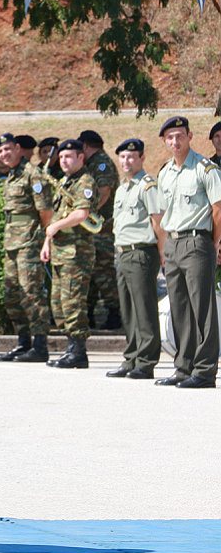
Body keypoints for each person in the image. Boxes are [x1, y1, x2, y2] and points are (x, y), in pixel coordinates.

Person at [154, 115, 221, 389]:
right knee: (180, 308)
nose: (175, 141)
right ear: (164, 141)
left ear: (190, 137)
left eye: (179, 135)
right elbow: (160, 215)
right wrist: (163, 249)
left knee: (202, 308)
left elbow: (218, 209)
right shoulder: (164, 173)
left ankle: (205, 371)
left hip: (197, 242)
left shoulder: (205, 169)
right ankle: (183, 367)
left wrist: (215, 243)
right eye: (170, 137)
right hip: (173, 243)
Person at [106, 138, 164, 380]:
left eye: (131, 156)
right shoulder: (122, 188)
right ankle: (131, 358)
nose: (126, 161)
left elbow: (157, 222)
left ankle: (147, 361)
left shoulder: (147, 185)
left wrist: (163, 254)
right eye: (122, 157)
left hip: (142, 252)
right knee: (128, 310)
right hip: (123, 253)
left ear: (141, 158)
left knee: (144, 308)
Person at [0, 134, 54, 362]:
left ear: (18, 149)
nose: (4, 154)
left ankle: (40, 345)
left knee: (31, 292)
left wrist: (43, 239)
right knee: (12, 294)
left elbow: (45, 212)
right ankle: (23, 341)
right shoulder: (11, 176)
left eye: (8, 149)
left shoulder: (33, 174)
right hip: (12, 242)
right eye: (0, 151)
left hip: (29, 242)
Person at [40, 139, 97, 368]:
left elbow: (81, 214)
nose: (64, 161)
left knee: (73, 302)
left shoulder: (85, 181)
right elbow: (55, 217)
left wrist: (55, 227)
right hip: (60, 252)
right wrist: (47, 242)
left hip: (76, 253)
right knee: (59, 304)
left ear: (80, 158)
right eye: (61, 157)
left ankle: (78, 352)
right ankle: (70, 347)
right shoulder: (65, 181)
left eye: (69, 156)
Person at [78, 130, 122, 330]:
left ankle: (116, 311)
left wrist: (89, 214)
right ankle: (90, 311)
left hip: (101, 227)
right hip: (94, 228)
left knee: (103, 271)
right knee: (93, 271)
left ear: (86, 146)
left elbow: (104, 192)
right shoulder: (92, 163)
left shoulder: (101, 163)